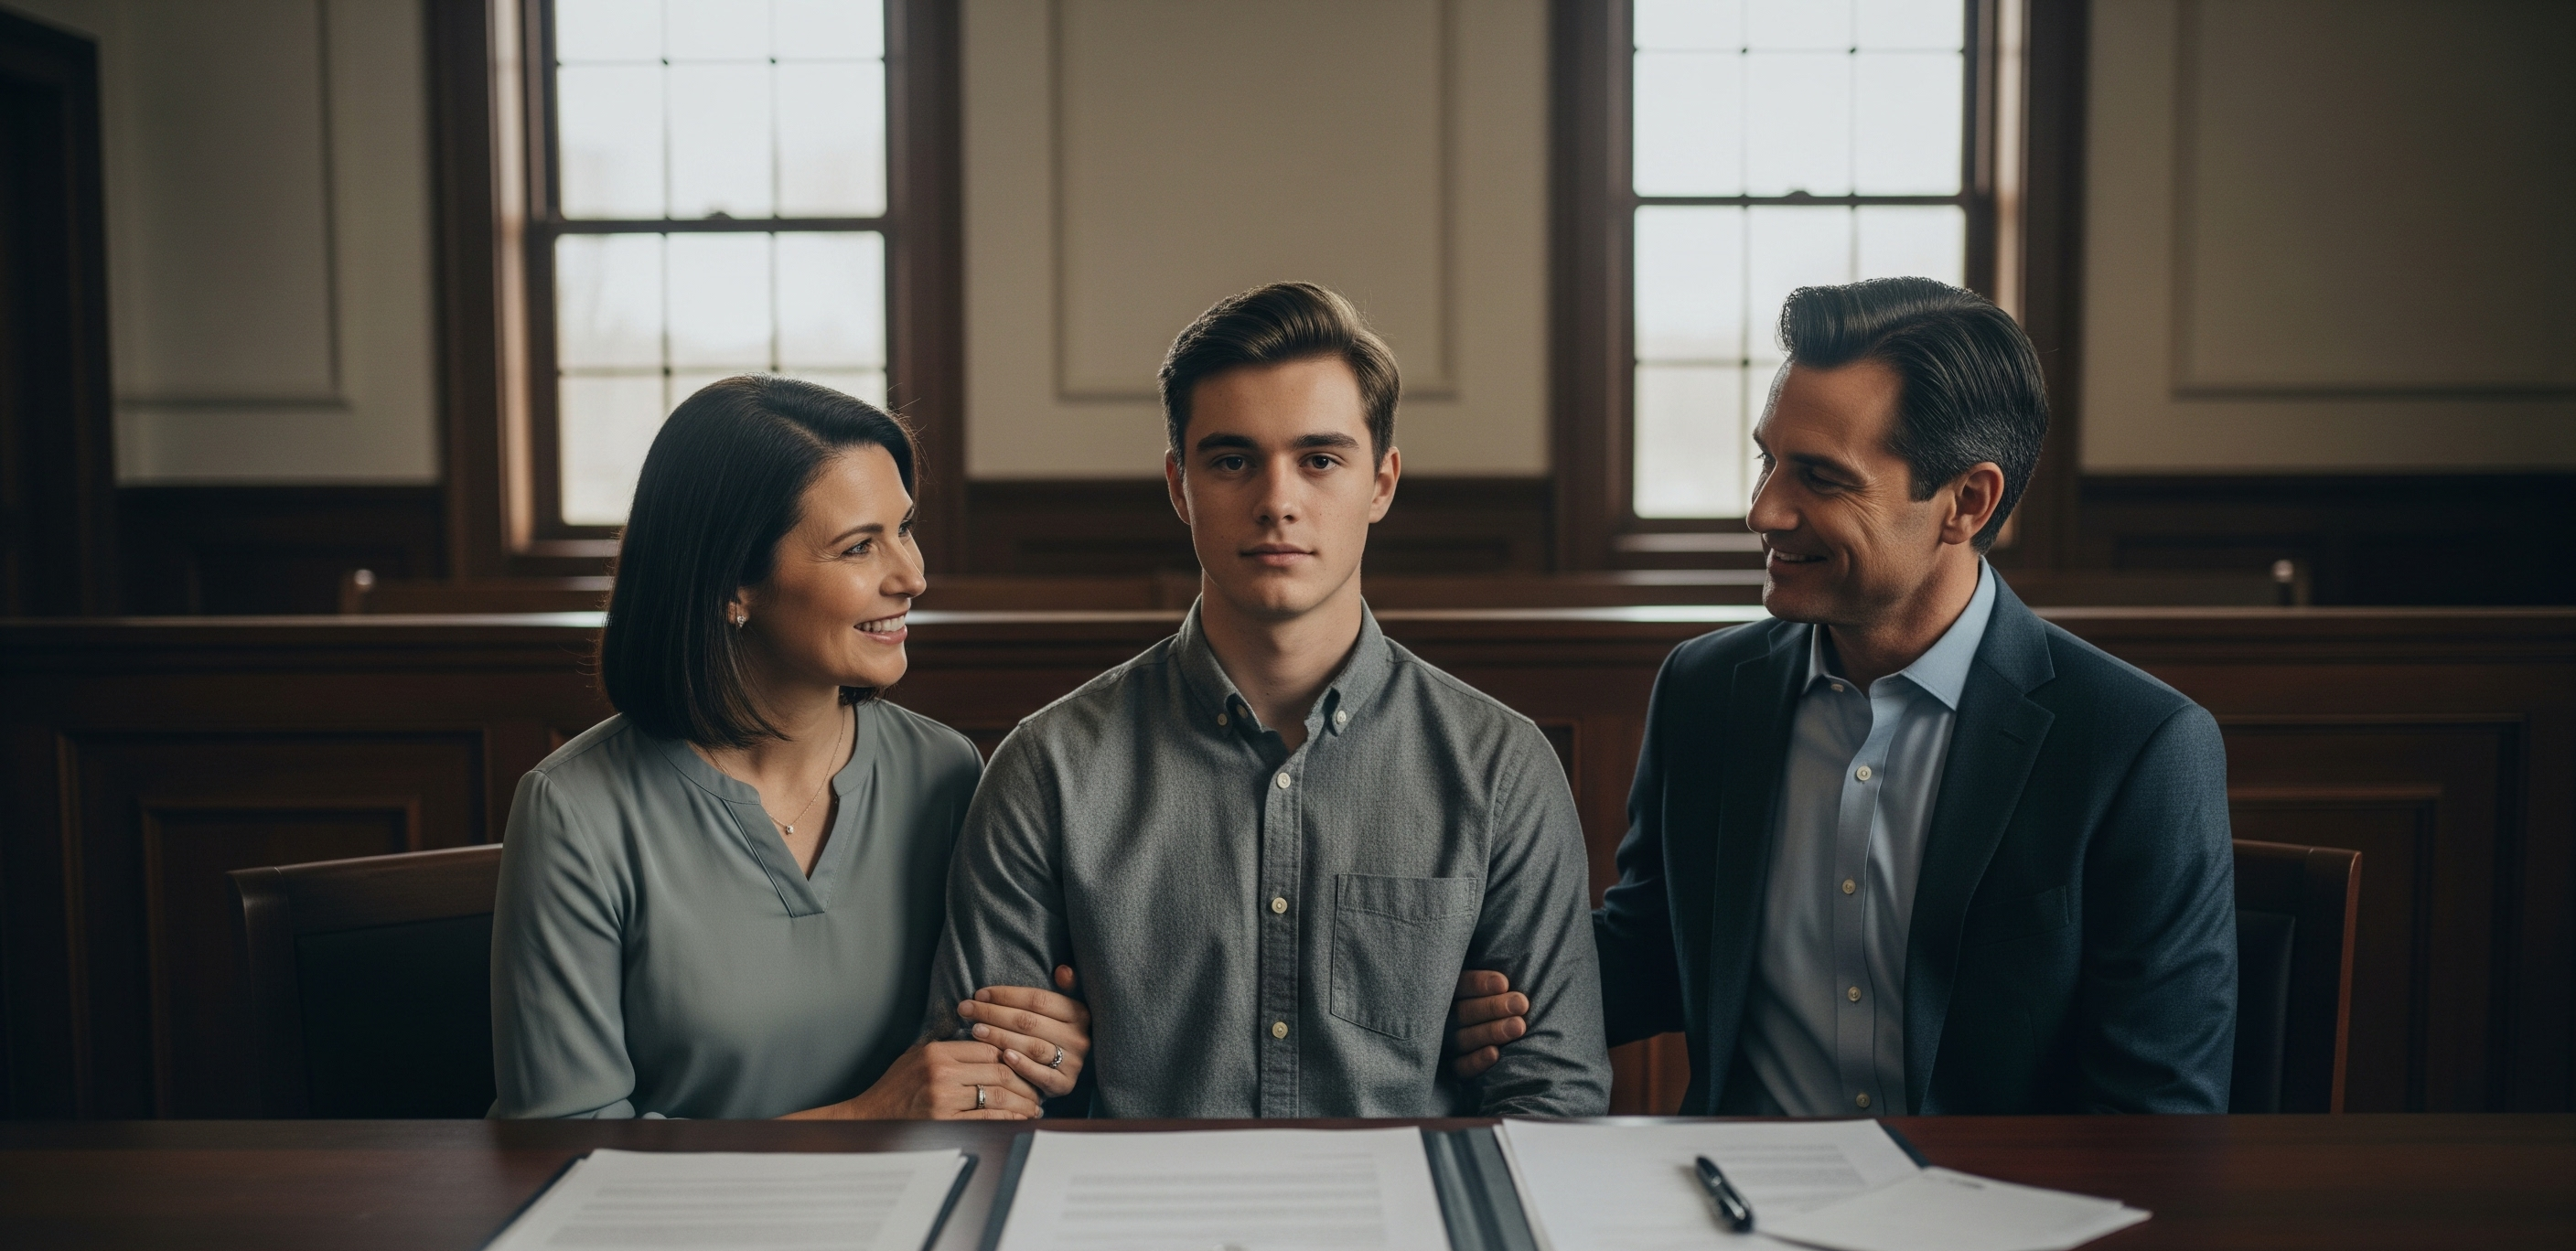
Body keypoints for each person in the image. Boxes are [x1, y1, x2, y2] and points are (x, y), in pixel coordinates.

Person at [927, 282, 1612, 1117]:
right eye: (1232, 460)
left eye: (1320, 460)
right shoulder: (1050, 767)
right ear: (1180, 487)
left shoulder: (1500, 768)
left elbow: (1555, 1100)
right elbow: (986, 1095)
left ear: (1383, 483)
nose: (1277, 500)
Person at [1588, 278, 2238, 1115]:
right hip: (1735, 1214)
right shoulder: (1705, 689)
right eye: (1767, 460)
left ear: (1966, 502)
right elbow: (1649, 954)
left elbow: (2158, 1115)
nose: (1763, 512)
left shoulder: (2138, 744)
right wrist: (1463, 986)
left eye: (1820, 478)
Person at [489, 376, 1091, 1120]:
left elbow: (983, 1060)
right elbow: (562, 1148)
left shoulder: (947, 772)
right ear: (731, 585)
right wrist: (866, 1119)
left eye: (904, 527)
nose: (913, 575)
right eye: (858, 547)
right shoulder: (573, 810)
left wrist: (1044, 1048)